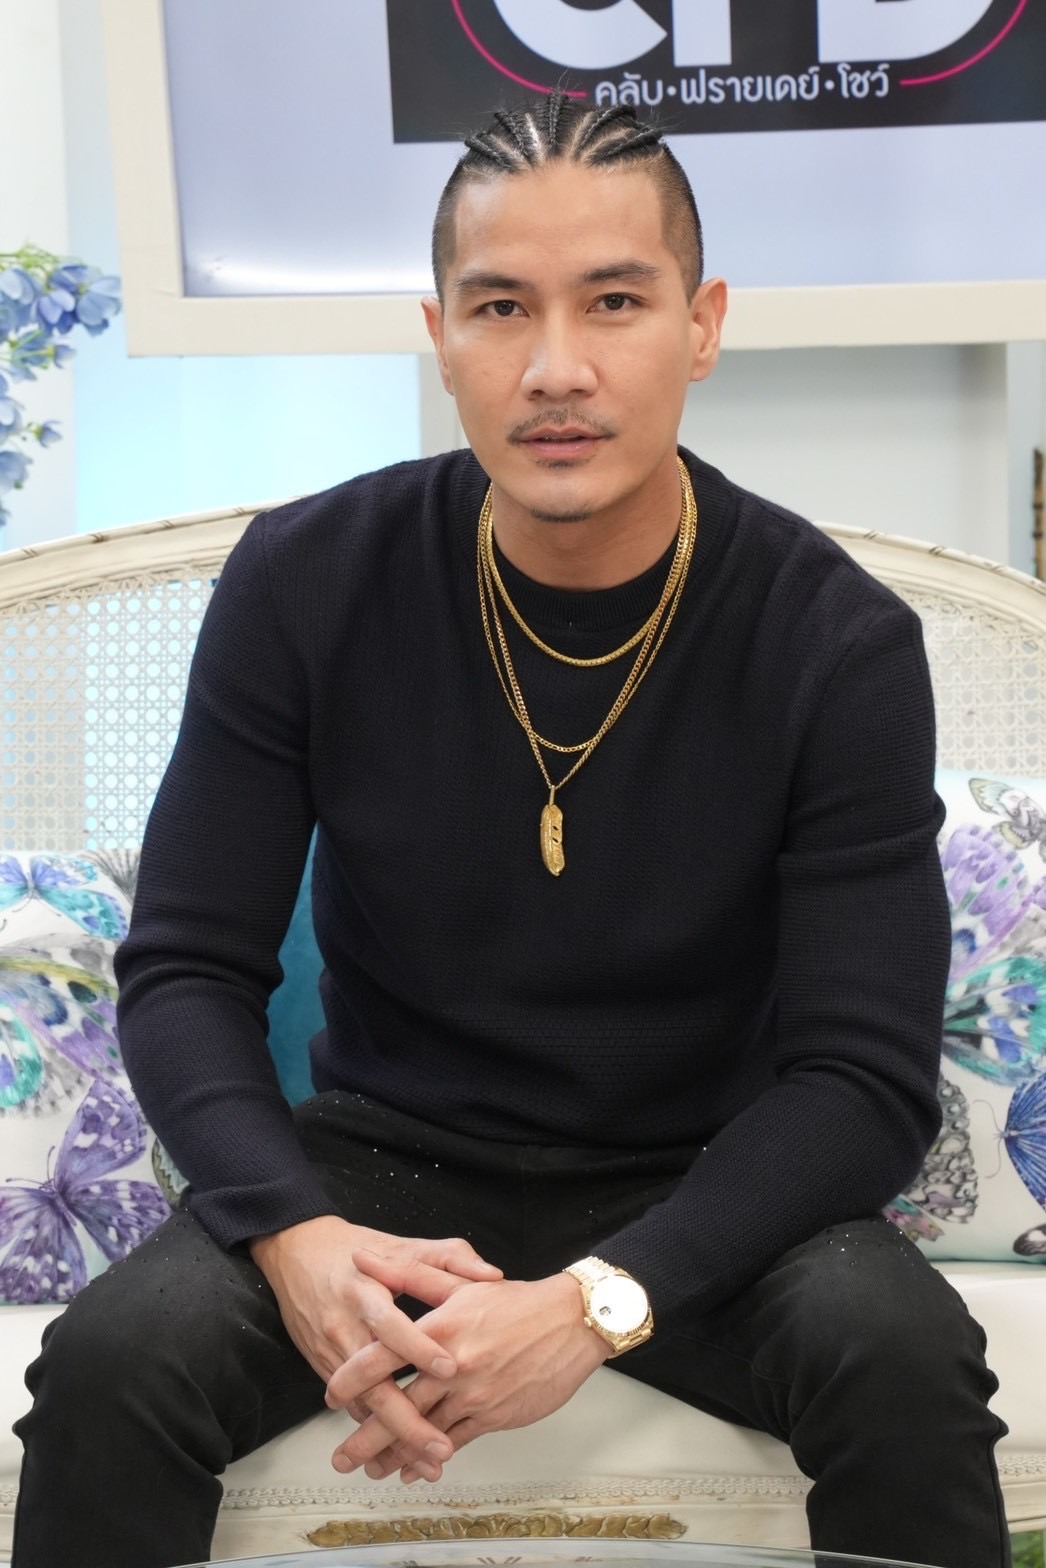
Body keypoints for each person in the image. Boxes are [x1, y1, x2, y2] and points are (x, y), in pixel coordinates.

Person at [13, 94, 1010, 1568]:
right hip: (381, 1172)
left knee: (901, 1359)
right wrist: (293, 1237)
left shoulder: (832, 640)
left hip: (706, 1178)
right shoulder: (307, 581)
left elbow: (860, 1080)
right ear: (441, 336)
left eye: (614, 301)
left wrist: (598, 1302)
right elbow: (187, 970)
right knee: (113, 1368)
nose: (556, 368)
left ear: (702, 325)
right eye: (500, 308)